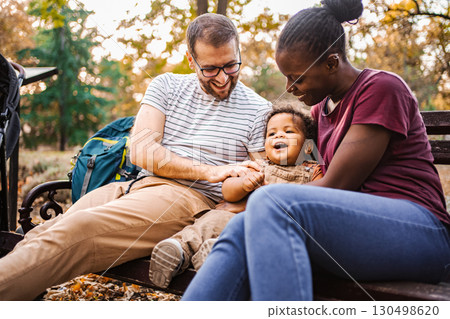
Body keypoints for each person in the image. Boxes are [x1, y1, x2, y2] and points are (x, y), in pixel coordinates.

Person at [182, 0, 450, 301]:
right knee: (242, 227)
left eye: (297, 78)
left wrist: (255, 200)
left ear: (332, 63)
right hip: (349, 232)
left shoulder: (381, 88)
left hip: (420, 233)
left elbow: (336, 185)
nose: (290, 87)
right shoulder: (320, 111)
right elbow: (301, 180)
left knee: (270, 204)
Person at [0, 13, 271, 300]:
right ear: (191, 61)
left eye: (231, 65)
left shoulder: (259, 110)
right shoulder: (166, 85)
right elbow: (142, 151)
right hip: (133, 185)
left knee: (79, 232)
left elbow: (264, 179)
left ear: (239, 51)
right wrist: (209, 170)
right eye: (210, 69)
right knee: (41, 234)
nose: (222, 78)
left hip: (187, 199)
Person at [149, 104, 322, 289]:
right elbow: (228, 191)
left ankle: (215, 253)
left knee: (245, 238)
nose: (278, 136)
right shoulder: (257, 166)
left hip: (268, 226)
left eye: (288, 131)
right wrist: (244, 183)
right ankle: (178, 249)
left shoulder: (311, 171)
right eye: (271, 134)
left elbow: (316, 199)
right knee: (215, 218)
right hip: (234, 216)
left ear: (307, 147)